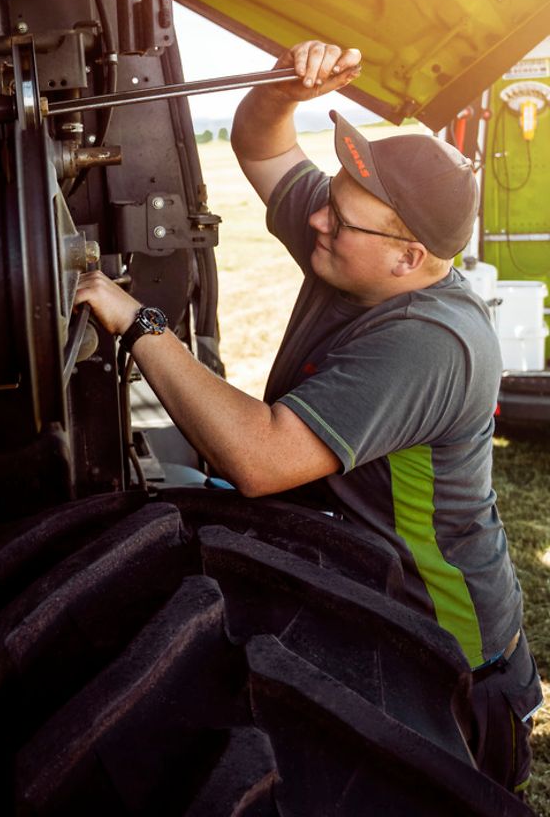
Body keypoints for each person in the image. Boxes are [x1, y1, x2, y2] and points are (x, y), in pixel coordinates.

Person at [75, 39, 543, 792]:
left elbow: (259, 459)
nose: (318, 219)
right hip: (357, 594)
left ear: (409, 256)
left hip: (446, 663)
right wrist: (282, 88)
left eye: (344, 218)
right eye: (328, 196)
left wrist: (137, 322)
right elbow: (261, 145)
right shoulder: (350, 246)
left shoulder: (432, 342)